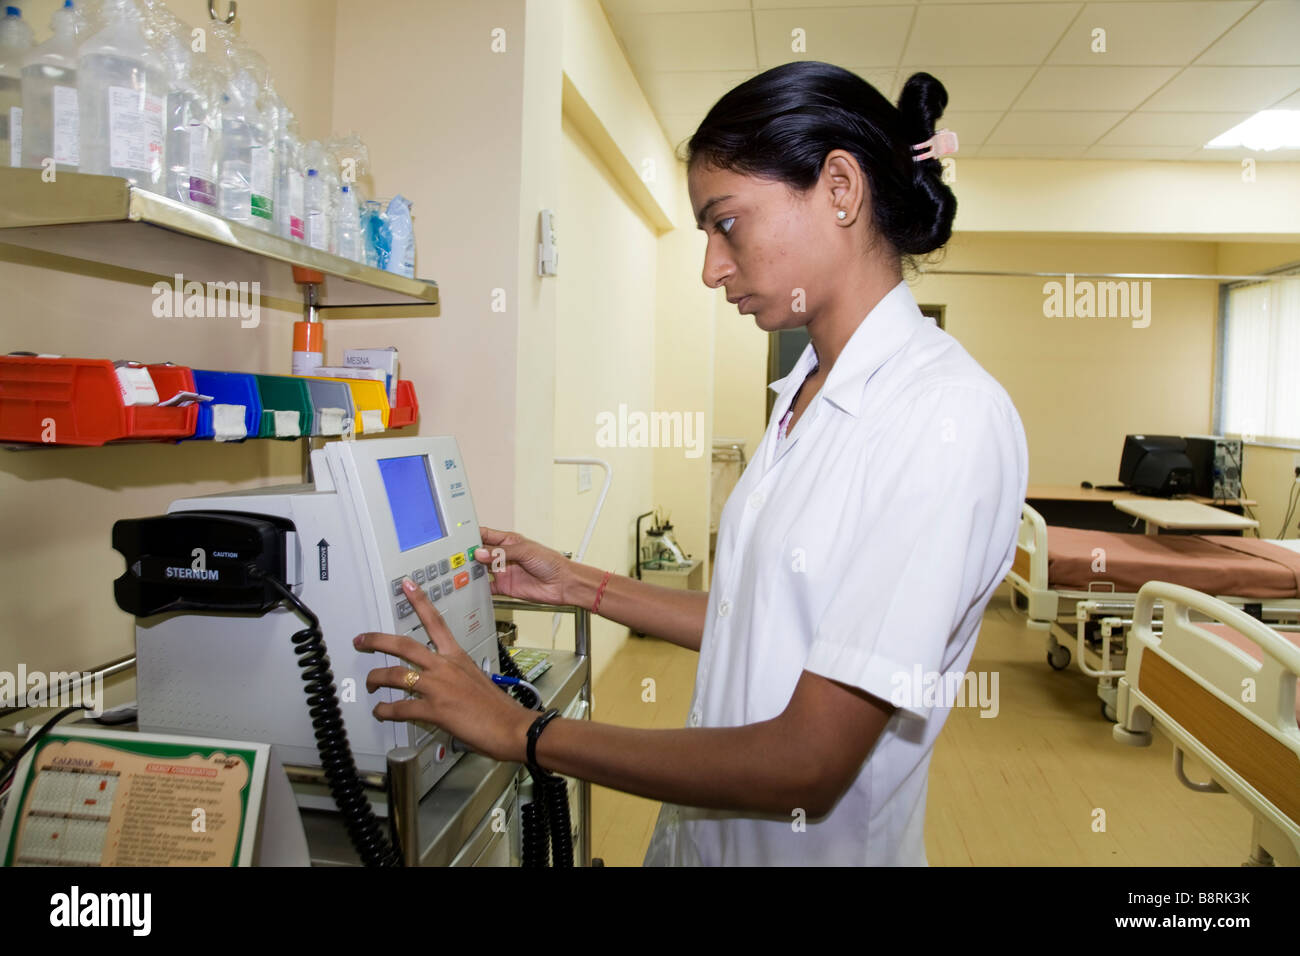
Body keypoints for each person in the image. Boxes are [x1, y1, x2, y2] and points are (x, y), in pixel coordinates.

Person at [353, 61, 1028, 865]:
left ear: (840, 188)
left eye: (727, 223)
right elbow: (768, 618)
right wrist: (579, 585)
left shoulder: (945, 417)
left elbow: (807, 763)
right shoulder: (804, 391)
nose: (710, 266)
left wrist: (521, 732)